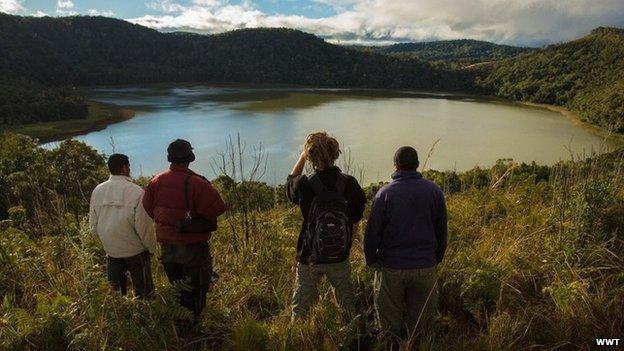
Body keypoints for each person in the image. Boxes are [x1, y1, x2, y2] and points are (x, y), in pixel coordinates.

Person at [364, 146, 447, 341]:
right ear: (417, 165)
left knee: (388, 326)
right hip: (425, 266)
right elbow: (442, 231)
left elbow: (372, 233)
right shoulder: (434, 191)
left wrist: (371, 259)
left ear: (396, 166)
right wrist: (436, 258)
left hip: (390, 268)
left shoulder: (384, 193)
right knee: (422, 327)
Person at [142, 139, 226, 321]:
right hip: (193, 247)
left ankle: (179, 324)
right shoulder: (197, 183)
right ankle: (191, 328)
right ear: (189, 158)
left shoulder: (156, 181)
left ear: (170, 158)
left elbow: (148, 208)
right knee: (196, 288)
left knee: (177, 286)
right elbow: (216, 208)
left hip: (167, 247)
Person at [286, 132, 366, 320]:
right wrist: (346, 245)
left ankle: (296, 341)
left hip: (309, 255)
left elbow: (289, 184)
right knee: (347, 306)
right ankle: (352, 336)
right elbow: (356, 217)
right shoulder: (349, 183)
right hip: (339, 255)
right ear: (335, 153)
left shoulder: (304, 183)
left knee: (300, 310)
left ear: (310, 155)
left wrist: (302, 157)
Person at [89, 153, 156, 299]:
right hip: (135, 250)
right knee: (145, 292)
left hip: (111, 250)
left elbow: (93, 224)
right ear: (125, 168)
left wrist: (105, 244)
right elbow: (143, 226)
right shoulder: (137, 192)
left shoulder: (98, 190)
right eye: (129, 166)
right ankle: (147, 317)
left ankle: (122, 319)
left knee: (116, 295)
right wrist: (151, 247)